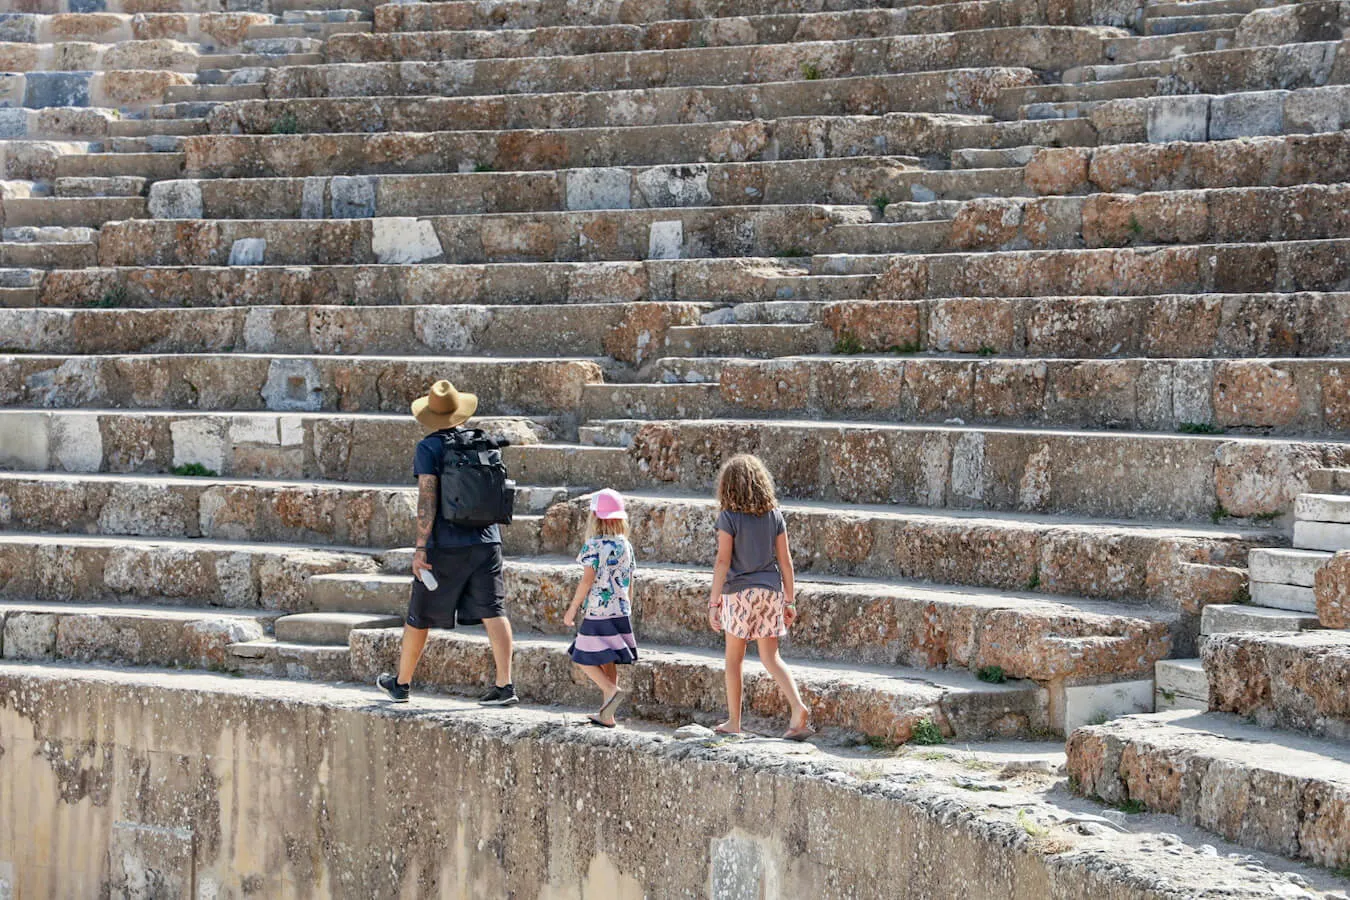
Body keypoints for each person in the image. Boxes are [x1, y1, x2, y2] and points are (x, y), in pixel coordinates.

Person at [377, 380, 517, 706]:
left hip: (445, 544)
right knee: (494, 610)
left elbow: (427, 499)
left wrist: (421, 547)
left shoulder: (429, 448)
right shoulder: (484, 442)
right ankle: (505, 685)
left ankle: (402, 683)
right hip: (487, 540)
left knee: (419, 615)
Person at [706, 454, 812, 740]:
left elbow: (723, 562)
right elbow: (786, 561)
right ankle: (798, 707)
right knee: (771, 656)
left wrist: (714, 603)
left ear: (727, 486)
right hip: (770, 590)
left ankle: (734, 722)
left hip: (739, 593)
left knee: (733, 660)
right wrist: (790, 600)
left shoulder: (728, 517)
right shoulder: (774, 515)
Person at [562, 488, 638, 728]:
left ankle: (610, 689)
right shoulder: (625, 545)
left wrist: (572, 609)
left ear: (595, 517)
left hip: (598, 610)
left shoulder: (593, 544)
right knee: (609, 658)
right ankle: (608, 715)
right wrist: (628, 606)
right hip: (620, 608)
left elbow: (587, 580)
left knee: (581, 656)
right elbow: (630, 579)